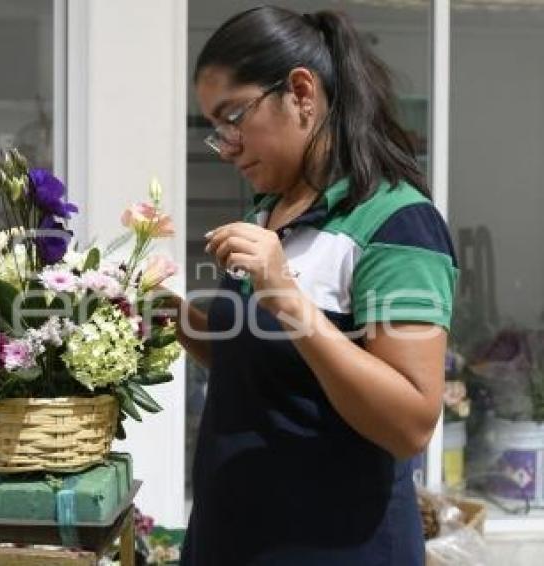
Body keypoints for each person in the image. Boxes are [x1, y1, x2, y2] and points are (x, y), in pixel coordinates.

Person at [169, 6, 457, 565]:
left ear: (301, 92)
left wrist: (285, 294)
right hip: (232, 536)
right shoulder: (268, 211)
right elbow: (259, 364)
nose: (226, 146)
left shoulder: (396, 223)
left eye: (234, 117)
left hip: (336, 545)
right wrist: (171, 317)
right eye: (214, 130)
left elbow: (409, 422)